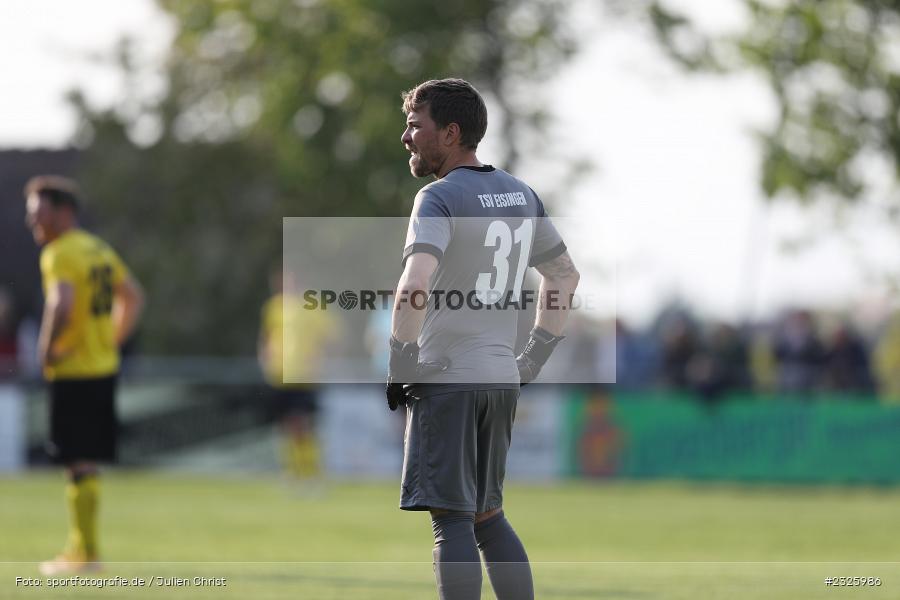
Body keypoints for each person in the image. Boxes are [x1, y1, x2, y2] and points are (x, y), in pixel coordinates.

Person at [386, 79, 579, 600]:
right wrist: (534, 356)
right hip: (500, 378)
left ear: (450, 133)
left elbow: (415, 283)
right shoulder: (522, 193)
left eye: (414, 125)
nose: (406, 137)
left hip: (447, 377)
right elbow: (564, 276)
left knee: (452, 521)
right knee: (488, 515)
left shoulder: (438, 196)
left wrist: (401, 359)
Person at [23, 175, 144, 574]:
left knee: (76, 461)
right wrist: (110, 340)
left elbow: (61, 304)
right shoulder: (99, 249)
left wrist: (45, 351)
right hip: (103, 368)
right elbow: (134, 297)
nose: (33, 221)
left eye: (39, 213)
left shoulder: (59, 252)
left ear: (63, 212)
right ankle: (86, 549)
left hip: (73, 369)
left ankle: (84, 553)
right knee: (86, 462)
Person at [258, 265, 334, 485]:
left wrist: (319, 360)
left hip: (303, 376)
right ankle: (292, 472)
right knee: (285, 426)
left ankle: (311, 472)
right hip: (279, 375)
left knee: (302, 424)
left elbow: (330, 338)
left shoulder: (313, 305)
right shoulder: (273, 306)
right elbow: (266, 336)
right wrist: (265, 358)